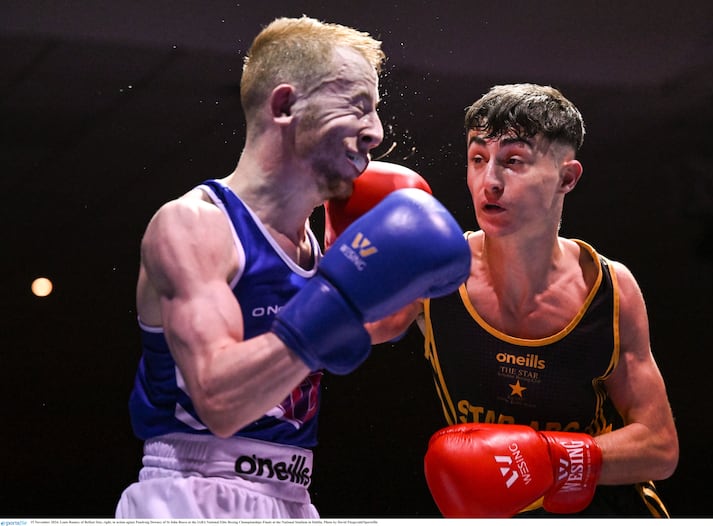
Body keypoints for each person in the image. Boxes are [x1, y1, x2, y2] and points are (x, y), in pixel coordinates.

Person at [115, 16, 471, 519]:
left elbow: (367, 325)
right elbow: (217, 400)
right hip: (193, 491)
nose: (376, 131)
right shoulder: (195, 226)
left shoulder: (325, 245)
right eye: (357, 106)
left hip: (293, 497)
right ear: (285, 106)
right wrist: (339, 298)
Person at [364, 83, 679, 517]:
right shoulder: (435, 272)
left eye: (513, 161)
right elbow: (332, 339)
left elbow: (659, 446)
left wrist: (549, 459)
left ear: (567, 178)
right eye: (478, 159)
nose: (489, 181)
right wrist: (334, 230)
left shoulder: (608, 287)